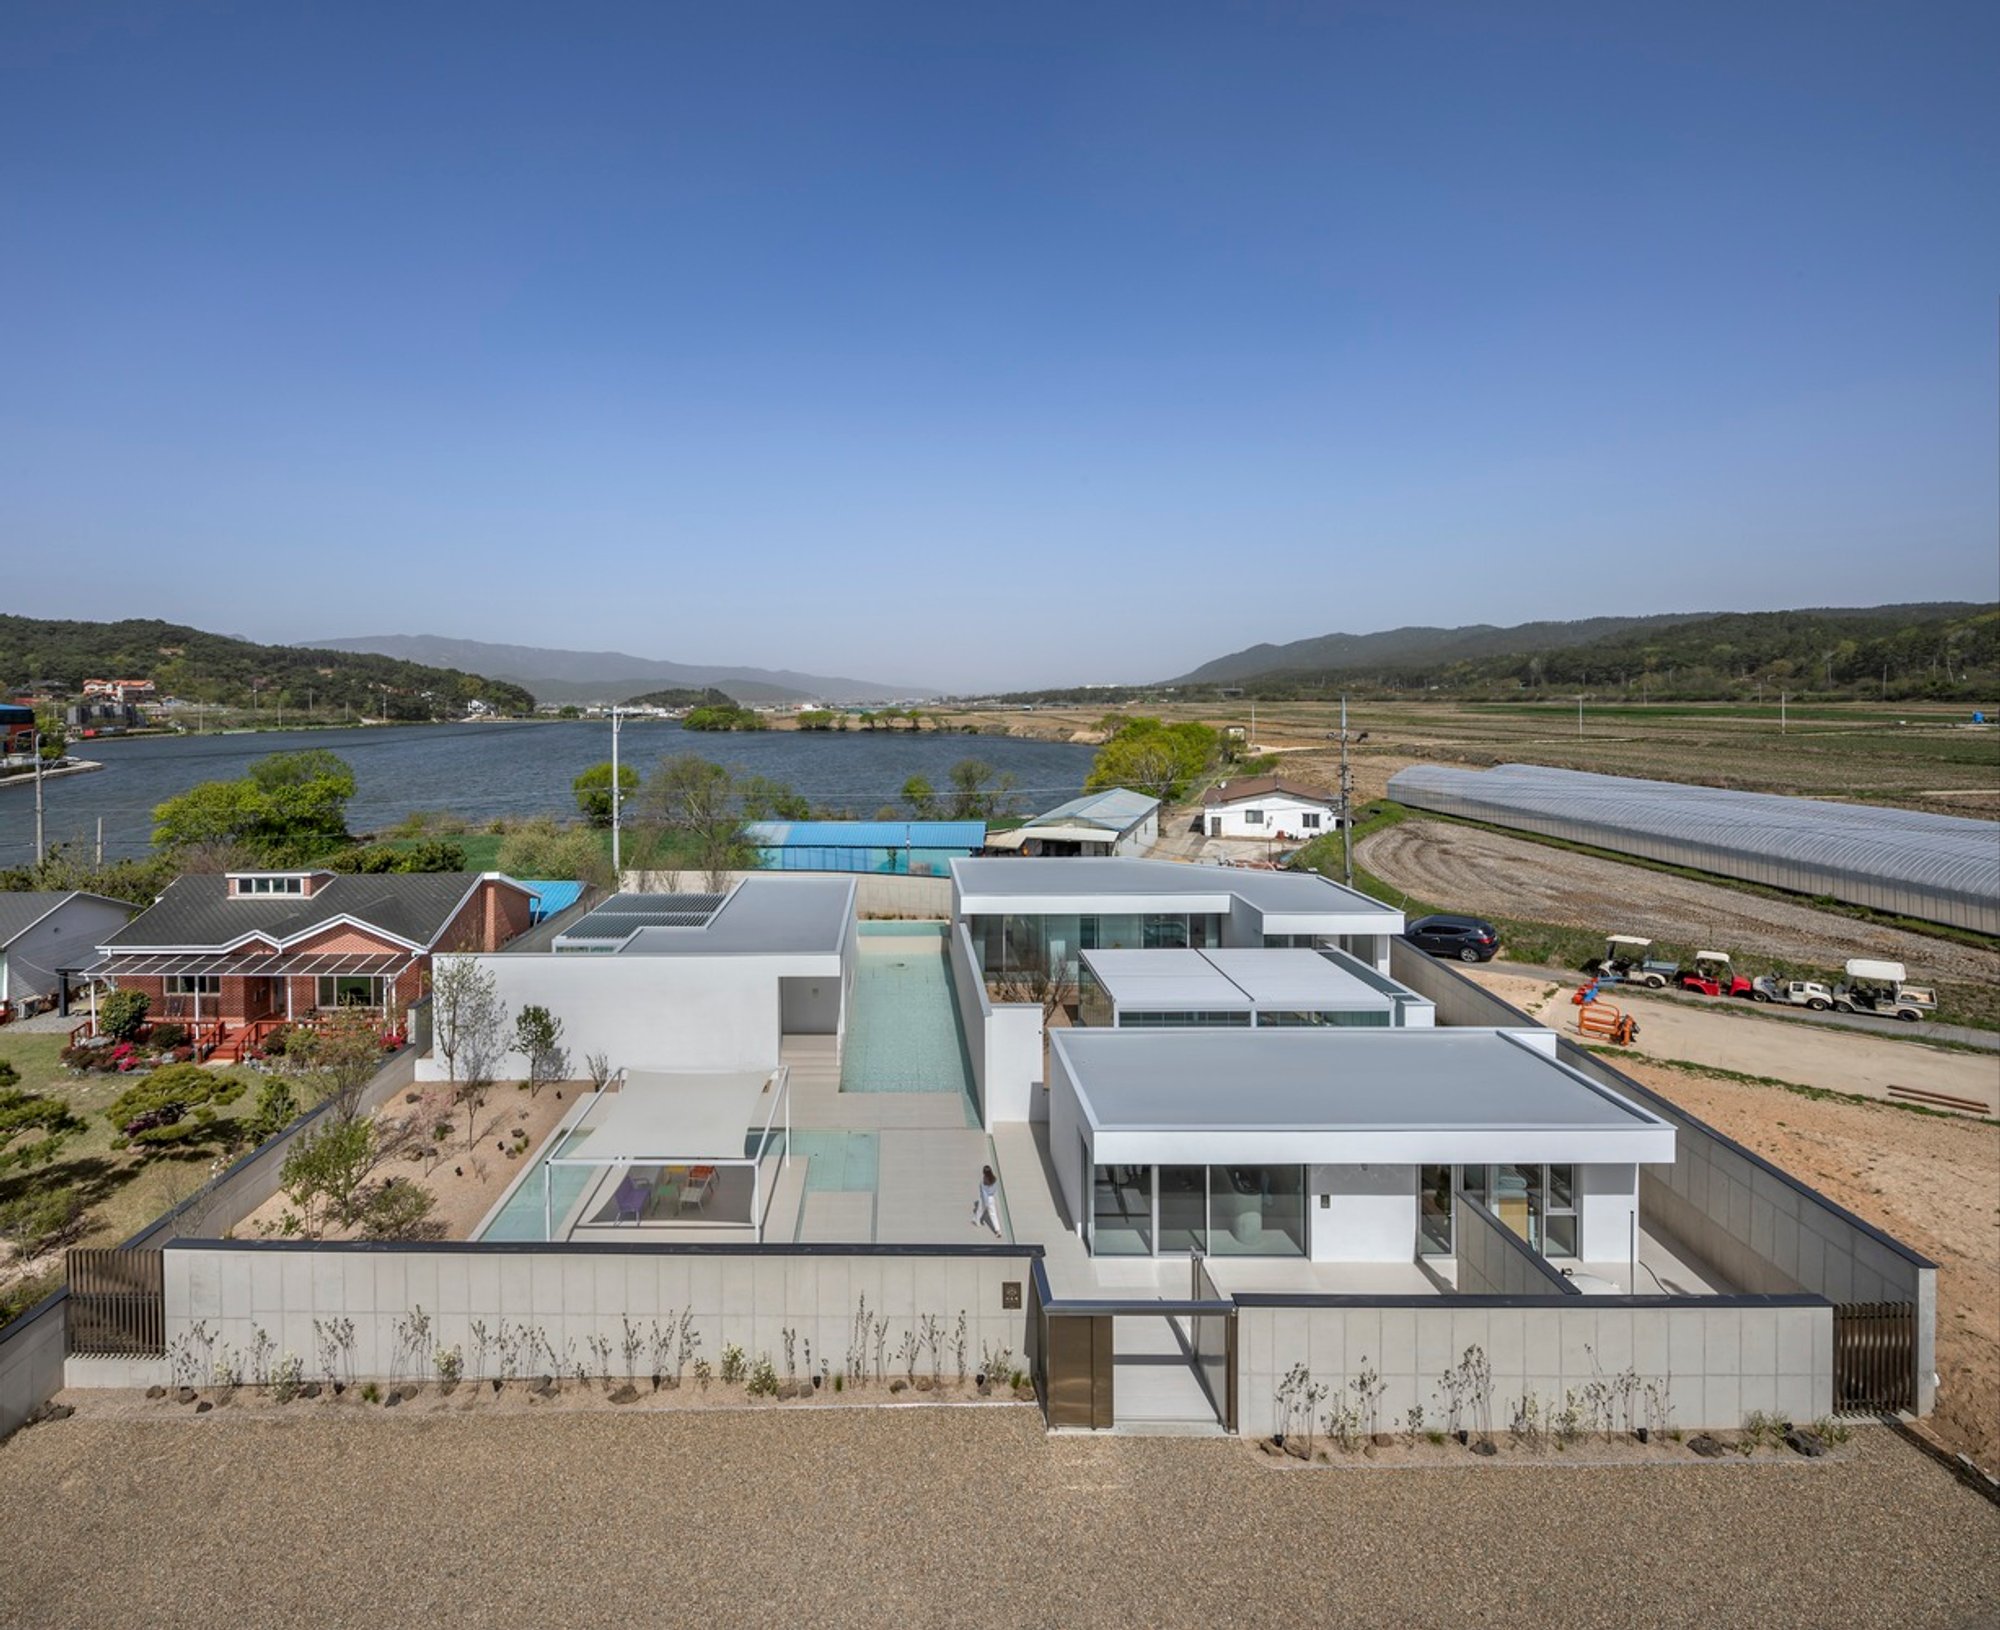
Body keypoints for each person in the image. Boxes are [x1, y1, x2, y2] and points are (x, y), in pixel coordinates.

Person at [969, 1164, 1002, 1237]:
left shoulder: (983, 1182)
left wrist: (985, 1203)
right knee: (993, 1214)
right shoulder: (994, 1179)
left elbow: (983, 1194)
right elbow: (995, 1189)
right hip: (991, 1198)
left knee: (980, 1210)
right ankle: (998, 1230)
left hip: (985, 1199)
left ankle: (976, 1221)